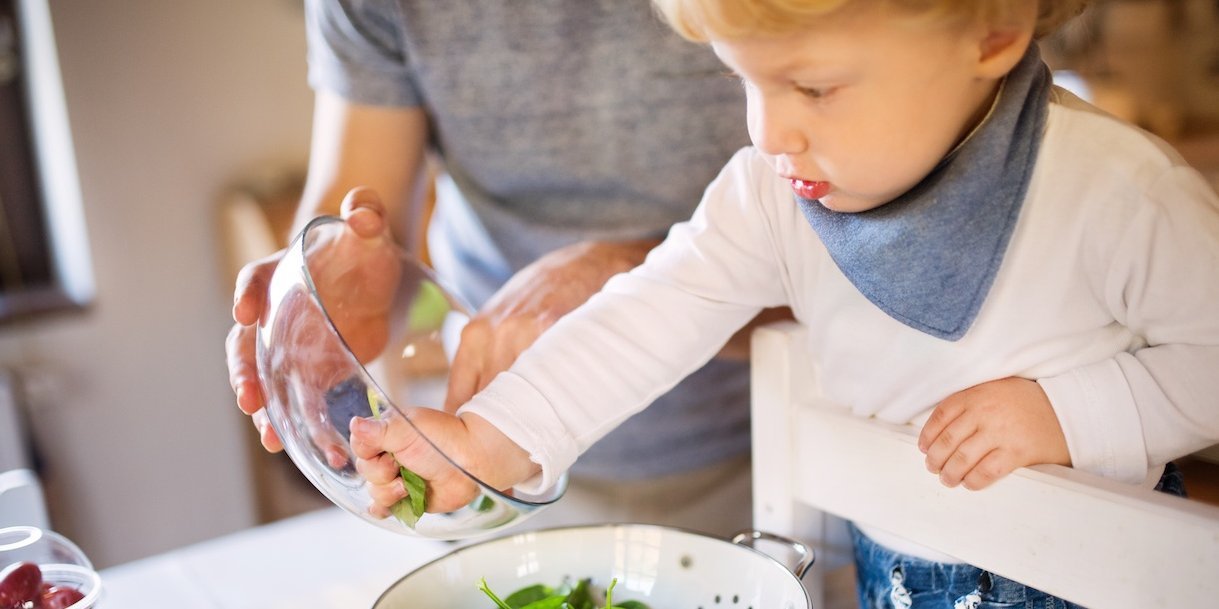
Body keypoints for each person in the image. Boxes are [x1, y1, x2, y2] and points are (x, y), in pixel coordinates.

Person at [347, 0, 1219, 607]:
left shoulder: (1115, 195)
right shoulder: (773, 191)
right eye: (744, 82)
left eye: (812, 88)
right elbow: (650, 311)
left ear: (989, 30)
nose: (766, 131)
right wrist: (490, 438)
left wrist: (1067, 415)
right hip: (887, 578)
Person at [226, 1, 779, 537]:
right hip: (497, 483)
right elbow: (357, 206)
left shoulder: (766, 184)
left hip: (767, 447)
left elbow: (766, 267)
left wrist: (628, 273)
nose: (776, 135)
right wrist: (322, 296)